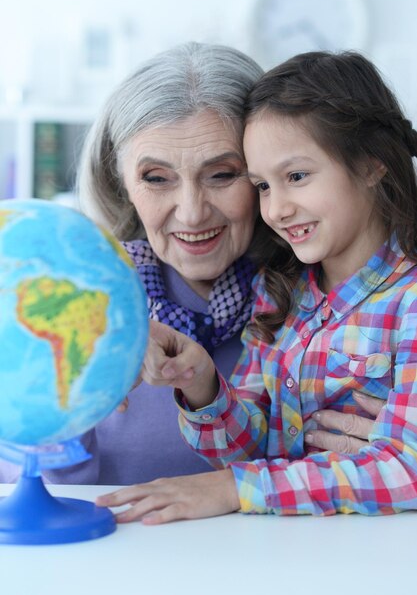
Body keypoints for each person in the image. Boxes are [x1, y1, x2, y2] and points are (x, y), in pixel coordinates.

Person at [96, 50, 417, 522]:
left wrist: (234, 488)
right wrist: (202, 382)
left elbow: (406, 469)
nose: (277, 209)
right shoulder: (282, 291)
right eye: (263, 186)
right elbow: (249, 447)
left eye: (297, 177)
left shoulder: (406, 300)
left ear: (371, 165)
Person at [0, 42, 265, 485]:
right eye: (156, 179)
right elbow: (27, 498)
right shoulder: (75, 295)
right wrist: (79, 405)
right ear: (120, 183)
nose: (192, 212)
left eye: (221, 174)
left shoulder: (319, 305)